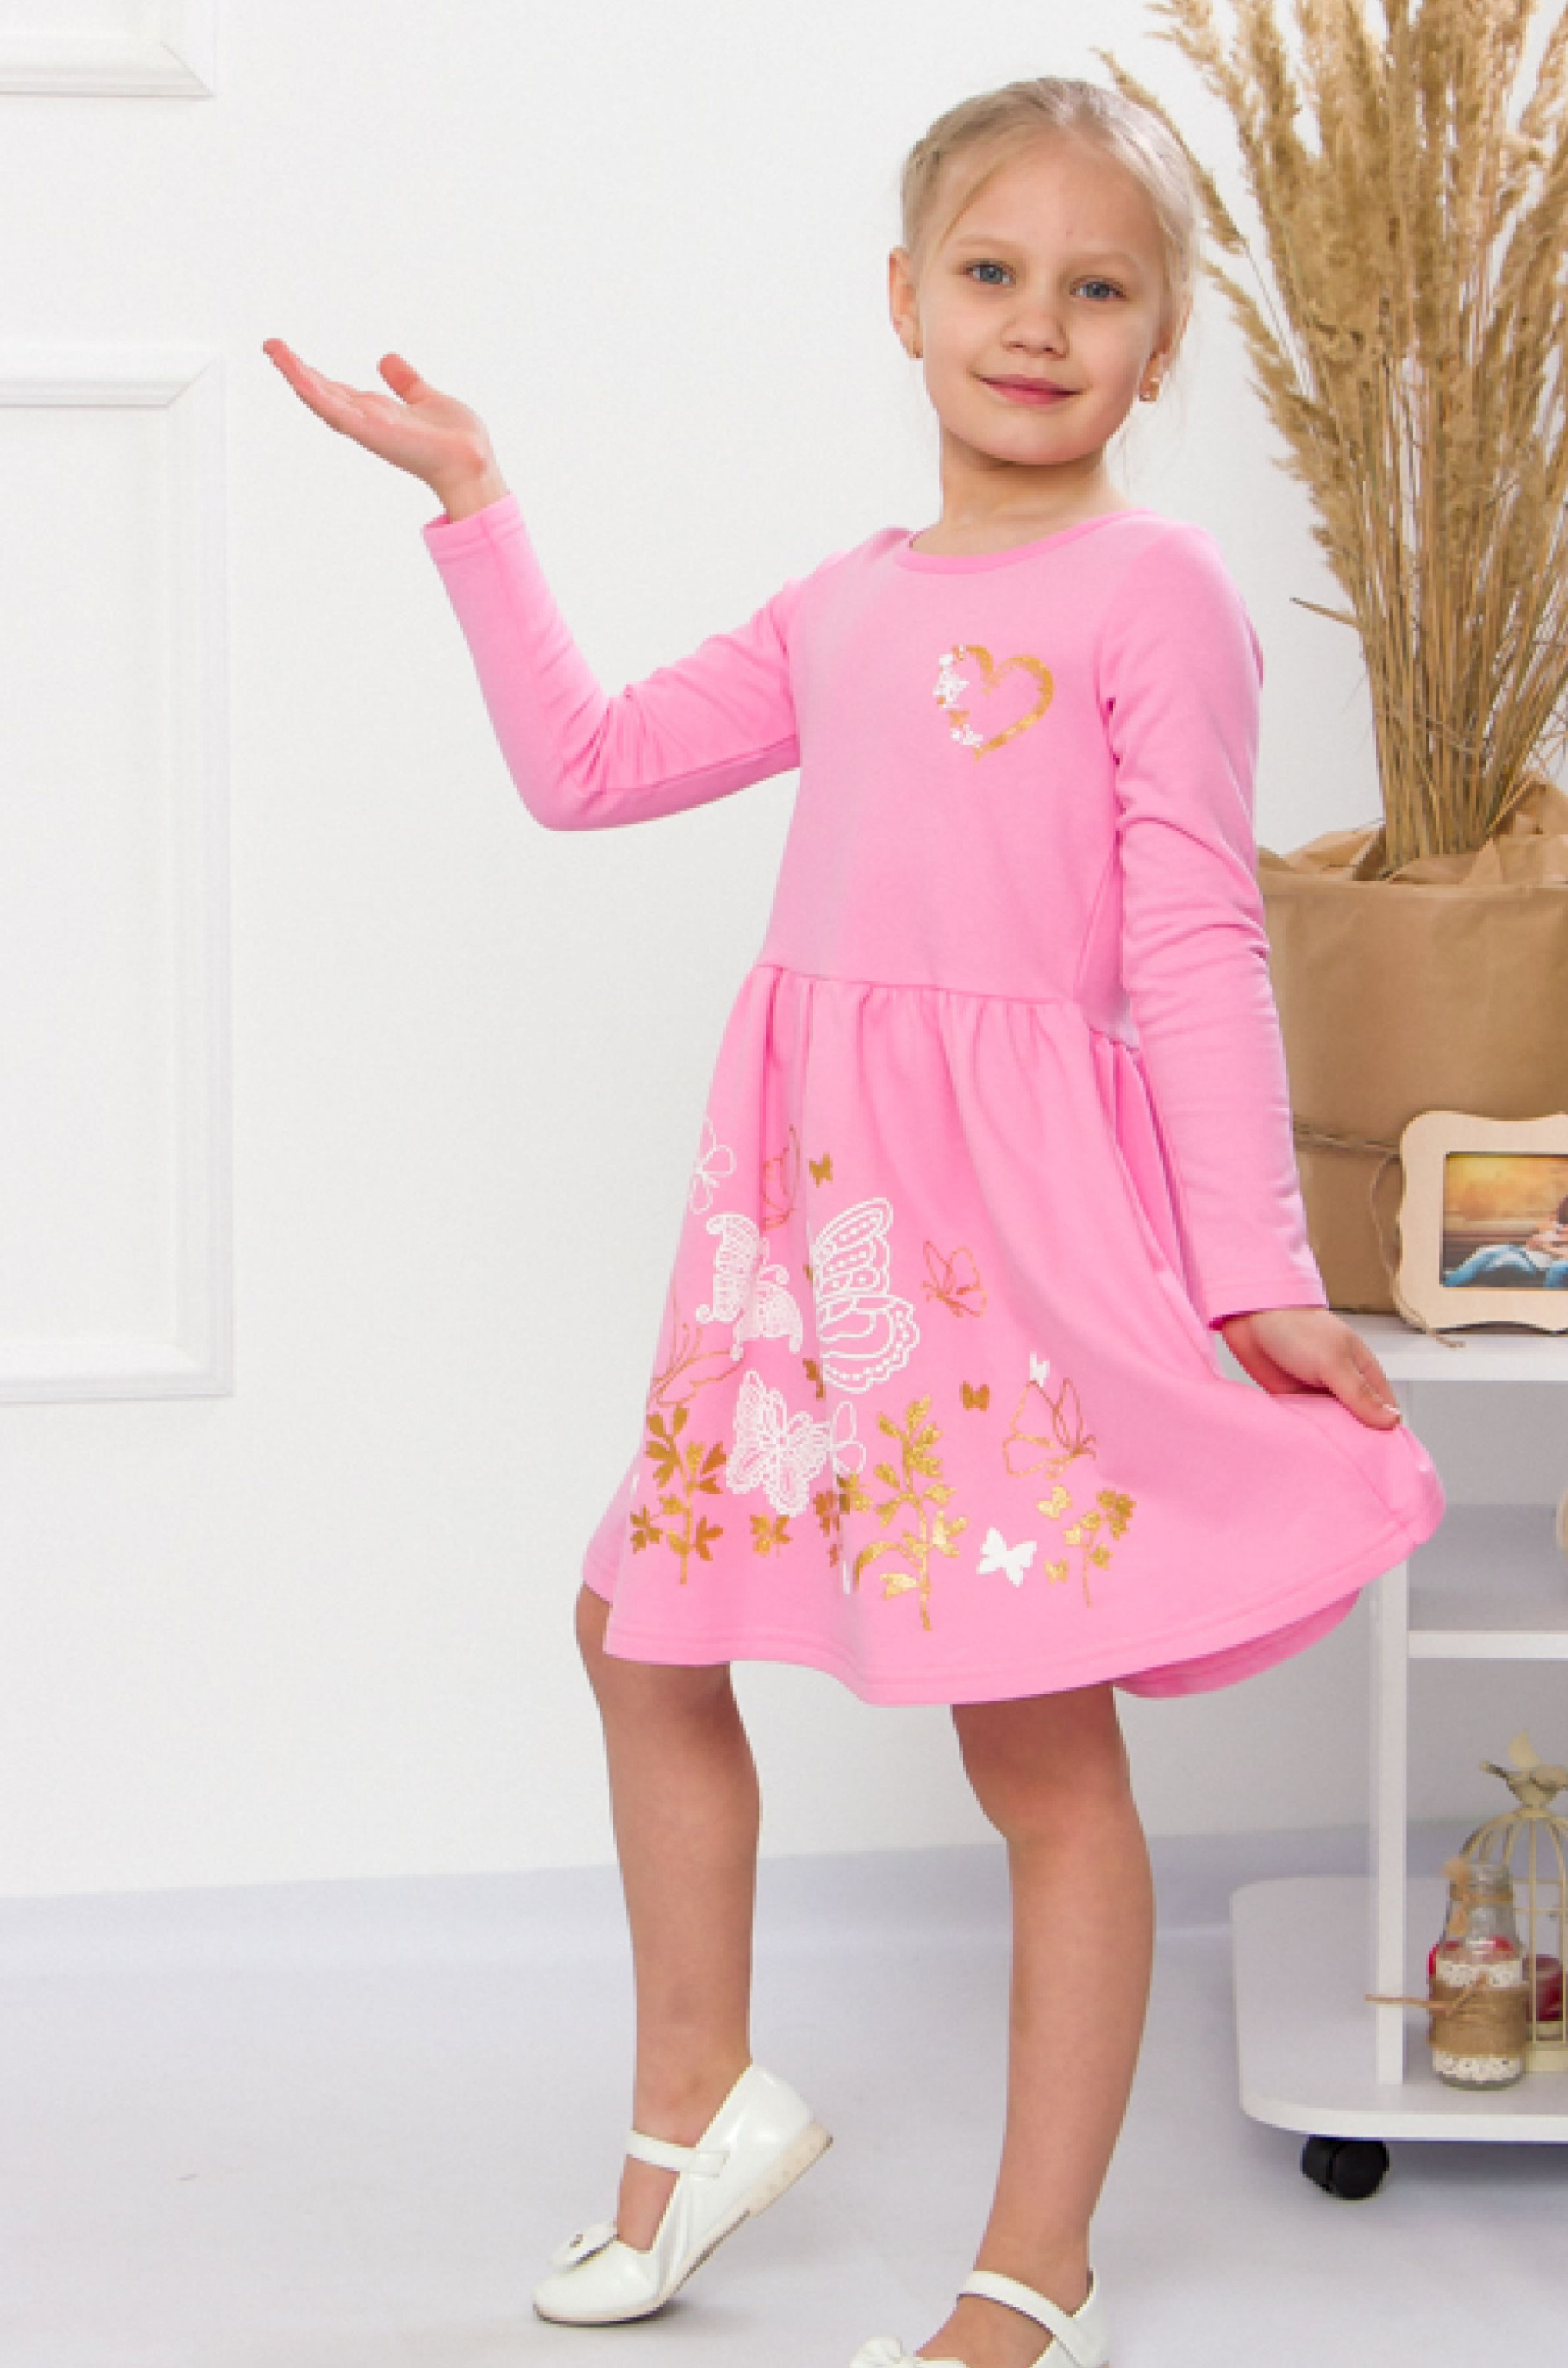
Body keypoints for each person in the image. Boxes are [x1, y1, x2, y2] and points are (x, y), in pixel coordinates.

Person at [266, 74, 1446, 2368]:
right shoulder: (847, 605)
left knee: (1035, 1750)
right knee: (638, 1625)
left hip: (1006, 1254)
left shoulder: (1157, 593)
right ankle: (693, 2110)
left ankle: (1039, 2260)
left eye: (1097, 288)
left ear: (1160, 346)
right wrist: (476, 503)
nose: (1038, 323)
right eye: (992, 273)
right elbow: (588, 765)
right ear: (903, 301)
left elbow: (1199, 940)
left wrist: (1257, 1283)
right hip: (806, 1247)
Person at [1443, 1190, 1568, 1287]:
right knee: (1486, 1251)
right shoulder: (1558, 1224)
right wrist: (1558, 1232)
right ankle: (1454, 1280)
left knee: (1501, 1264)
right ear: (1567, 1211)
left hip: (1531, 1266)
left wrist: (1547, 1247)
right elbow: (1537, 1234)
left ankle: (1456, 1276)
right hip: (1518, 1250)